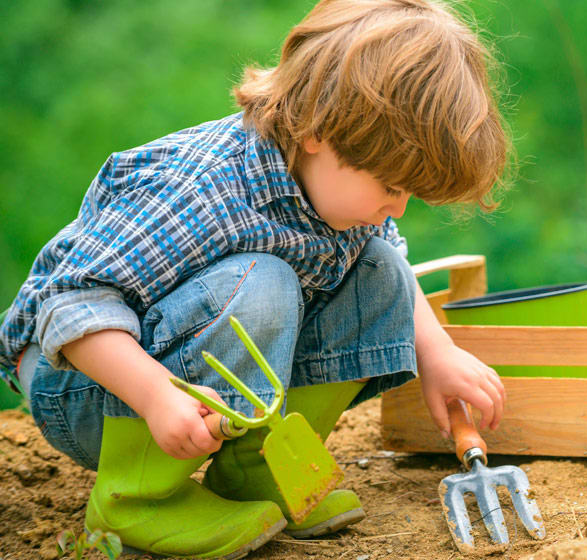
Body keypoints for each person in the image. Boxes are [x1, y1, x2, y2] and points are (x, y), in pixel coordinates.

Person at [0, 0, 510, 557]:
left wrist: (437, 353)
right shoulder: (200, 189)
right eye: (390, 185)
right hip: (89, 389)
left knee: (381, 268)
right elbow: (70, 303)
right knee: (261, 281)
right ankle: (134, 500)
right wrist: (154, 395)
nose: (399, 207)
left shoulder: (327, 191)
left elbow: (386, 251)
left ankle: (256, 469)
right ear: (318, 131)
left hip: (188, 387)